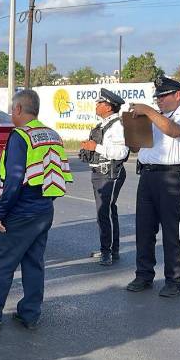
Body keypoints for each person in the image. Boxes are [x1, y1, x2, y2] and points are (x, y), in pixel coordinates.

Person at [0, 89, 72, 330]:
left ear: (19, 109)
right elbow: (54, 174)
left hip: (20, 211)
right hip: (43, 209)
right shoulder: (51, 134)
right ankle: (30, 313)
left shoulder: (21, 136)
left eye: (12, 109)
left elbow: (15, 178)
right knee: (33, 263)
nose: (11, 113)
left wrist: (1, 213)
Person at [127, 76, 180, 297]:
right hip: (147, 175)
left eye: (163, 96)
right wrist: (132, 127)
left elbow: (175, 131)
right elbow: (134, 148)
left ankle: (174, 280)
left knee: (171, 230)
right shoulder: (153, 117)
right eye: (156, 97)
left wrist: (149, 112)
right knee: (144, 228)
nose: (158, 100)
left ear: (177, 95)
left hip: (173, 176)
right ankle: (143, 274)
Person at [79, 88, 129, 266]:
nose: (97, 105)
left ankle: (107, 252)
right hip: (100, 173)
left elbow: (122, 152)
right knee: (107, 212)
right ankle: (109, 250)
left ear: (108, 107)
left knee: (104, 212)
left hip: (110, 174)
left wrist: (96, 147)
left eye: (100, 103)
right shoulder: (103, 125)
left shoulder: (117, 126)